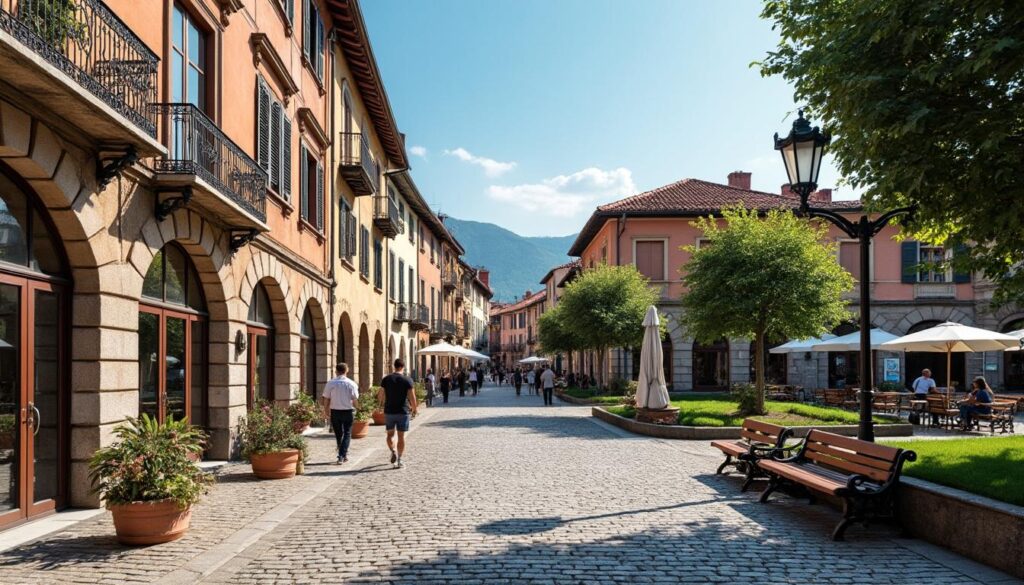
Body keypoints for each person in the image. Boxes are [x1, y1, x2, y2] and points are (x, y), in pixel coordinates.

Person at [377, 358, 418, 469]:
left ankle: (393, 450)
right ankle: (399, 460)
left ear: (393, 366)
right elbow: (412, 397)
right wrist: (415, 409)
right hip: (403, 411)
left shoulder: (386, 379)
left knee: (390, 435)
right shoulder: (407, 380)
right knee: (401, 437)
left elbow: (381, 395)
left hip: (389, 411)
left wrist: (380, 406)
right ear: (403, 367)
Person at [321, 363, 359, 465]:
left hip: (335, 412)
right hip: (347, 411)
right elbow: (355, 400)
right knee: (347, 434)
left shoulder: (331, 383)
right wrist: (359, 409)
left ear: (336, 371)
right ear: (347, 370)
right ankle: (342, 455)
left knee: (338, 434)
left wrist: (325, 410)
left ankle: (342, 455)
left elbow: (326, 398)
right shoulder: (352, 383)